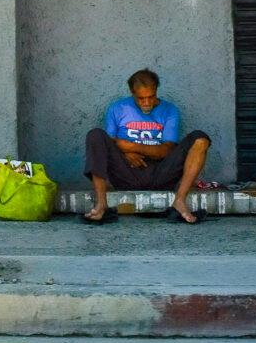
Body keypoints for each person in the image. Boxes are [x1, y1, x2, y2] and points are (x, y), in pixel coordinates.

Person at [81, 68, 211, 225]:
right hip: (127, 173)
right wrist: (124, 152)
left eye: (151, 97)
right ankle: (101, 204)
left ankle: (180, 201)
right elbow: (108, 144)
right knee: (95, 135)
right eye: (141, 98)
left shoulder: (170, 111)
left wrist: (130, 146)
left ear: (156, 90)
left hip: (162, 173)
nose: (147, 103)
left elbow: (166, 150)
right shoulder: (117, 109)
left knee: (200, 139)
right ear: (132, 92)